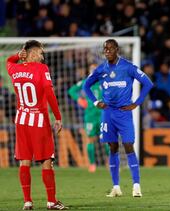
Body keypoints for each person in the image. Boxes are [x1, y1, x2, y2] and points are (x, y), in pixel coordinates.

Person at [83, 39, 153, 198]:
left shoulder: (128, 67)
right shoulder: (101, 69)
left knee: (128, 145)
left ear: (117, 49)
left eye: (110, 48)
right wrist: (95, 101)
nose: (107, 51)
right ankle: (116, 187)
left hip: (124, 113)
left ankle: (136, 186)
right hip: (107, 113)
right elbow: (86, 86)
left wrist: (136, 103)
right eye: (105, 49)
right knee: (112, 147)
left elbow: (148, 83)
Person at [6, 40, 67, 210]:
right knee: (47, 160)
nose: (42, 56)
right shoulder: (42, 69)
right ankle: (51, 201)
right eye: (40, 53)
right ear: (32, 53)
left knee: (24, 161)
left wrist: (18, 56)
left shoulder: (15, 69)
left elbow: (9, 61)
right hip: (39, 121)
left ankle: (27, 201)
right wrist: (58, 116)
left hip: (21, 120)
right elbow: (49, 92)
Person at [68, 63, 109, 173]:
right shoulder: (86, 82)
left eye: (95, 68)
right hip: (90, 116)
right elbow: (71, 90)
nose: (93, 70)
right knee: (90, 139)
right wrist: (79, 99)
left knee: (106, 139)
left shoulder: (104, 81)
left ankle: (110, 163)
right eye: (91, 68)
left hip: (103, 114)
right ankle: (92, 164)